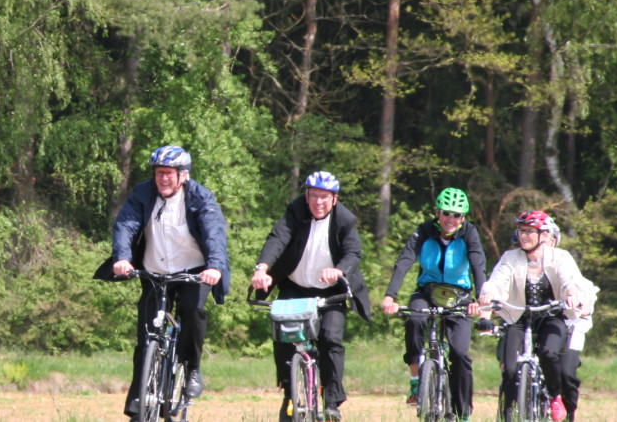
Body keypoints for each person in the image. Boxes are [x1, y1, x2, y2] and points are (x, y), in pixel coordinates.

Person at [93, 145, 230, 422]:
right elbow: (126, 225)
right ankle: (138, 406)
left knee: (192, 311)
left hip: (194, 272)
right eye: (158, 173)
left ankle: (192, 367)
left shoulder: (201, 197)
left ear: (183, 175)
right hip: (155, 272)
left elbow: (214, 233)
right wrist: (122, 258)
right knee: (146, 339)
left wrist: (214, 266)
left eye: (168, 173)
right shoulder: (143, 194)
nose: (163, 179)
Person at [250, 171, 372, 422]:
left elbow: (353, 253)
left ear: (334, 199)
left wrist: (338, 271)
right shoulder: (295, 211)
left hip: (331, 291)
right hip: (296, 286)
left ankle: (332, 401)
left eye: (324, 197)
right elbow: (278, 238)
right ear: (306, 196)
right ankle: (290, 393)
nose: (318, 202)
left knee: (330, 338)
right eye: (314, 196)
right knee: (284, 336)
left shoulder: (345, 220)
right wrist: (262, 268)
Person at [381, 187, 486, 420]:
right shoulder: (424, 231)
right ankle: (416, 381)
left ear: (463, 218)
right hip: (426, 292)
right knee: (415, 319)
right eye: (446, 213)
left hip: (460, 297)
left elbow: (478, 263)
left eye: (457, 215)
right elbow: (405, 259)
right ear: (437, 212)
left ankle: (462, 412)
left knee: (460, 354)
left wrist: (481, 298)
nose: (451, 219)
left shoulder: (469, 233)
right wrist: (391, 296)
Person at [477, 210, 590, 422]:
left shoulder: (560, 257)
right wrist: (489, 296)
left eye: (530, 231)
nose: (524, 236)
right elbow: (497, 281)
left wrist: (572, 295)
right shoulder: (511, 258)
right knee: (509, 368)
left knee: (548, 354)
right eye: (521, 231)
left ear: (543, 235)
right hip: (519, 318)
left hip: (551, 317)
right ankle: (509, 414)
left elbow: (569, 280)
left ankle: (555, 396)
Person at [542, 218, 599, 422]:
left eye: (547, 238)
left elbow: (583, 289)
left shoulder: (564, 260)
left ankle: (569, 414)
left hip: (572, 323)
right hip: (542, 322)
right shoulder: (524, 262)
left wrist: (582, 304)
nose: (542, 244)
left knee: (566, 372)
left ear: (554, 241)